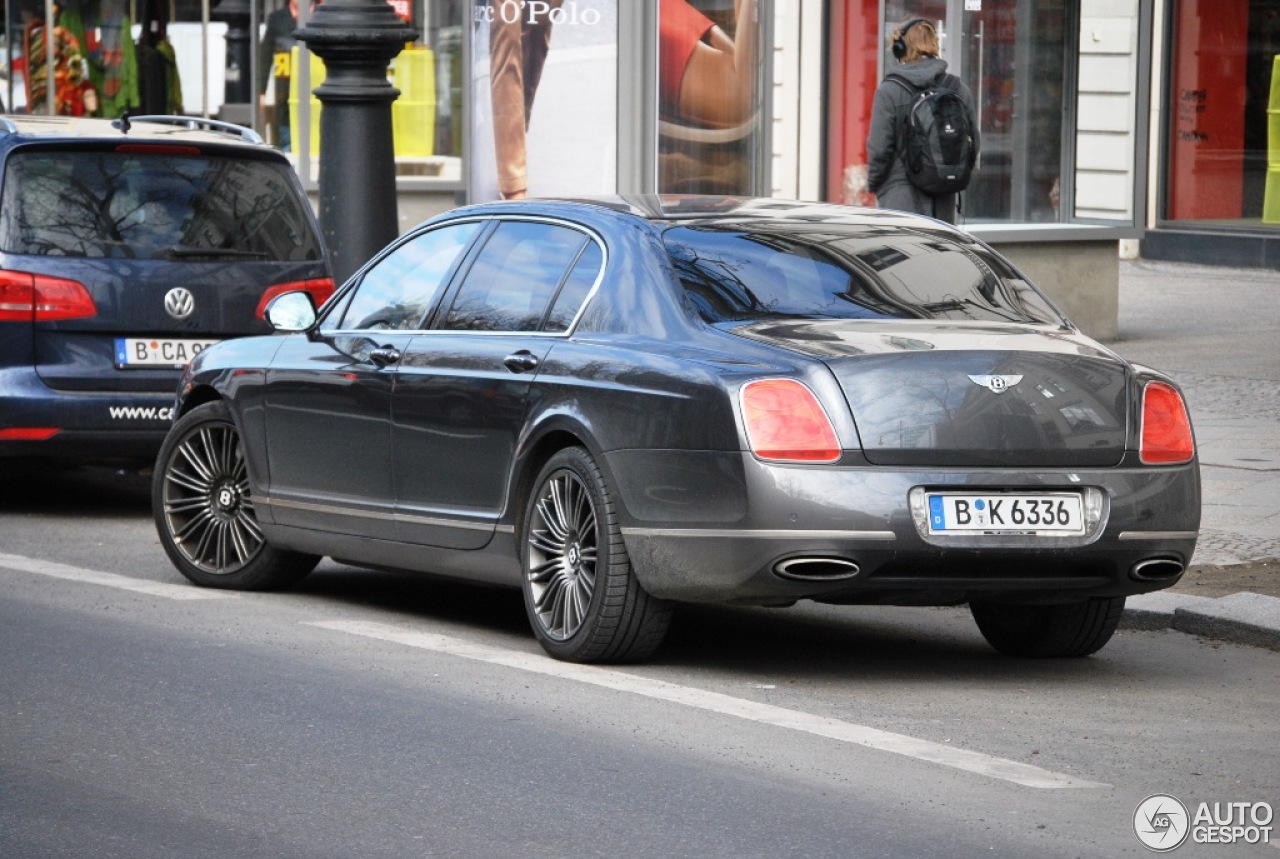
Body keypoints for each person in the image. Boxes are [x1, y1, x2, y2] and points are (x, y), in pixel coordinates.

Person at [866, 18, 979, 224]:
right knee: (937, 254)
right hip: (943, 199)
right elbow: (974, 144)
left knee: (902, 256)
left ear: (900, 48)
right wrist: (949, 173)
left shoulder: (890, 90)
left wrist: (874, 184)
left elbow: (879, 149)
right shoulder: (958, 88)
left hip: (899, 200)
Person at [258, 0, 317, 151]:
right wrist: (261, 91)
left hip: (316, 93)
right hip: (285, 94)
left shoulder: (321, 16)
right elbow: (264, 57)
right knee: (287, 142)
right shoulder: (277, 19)